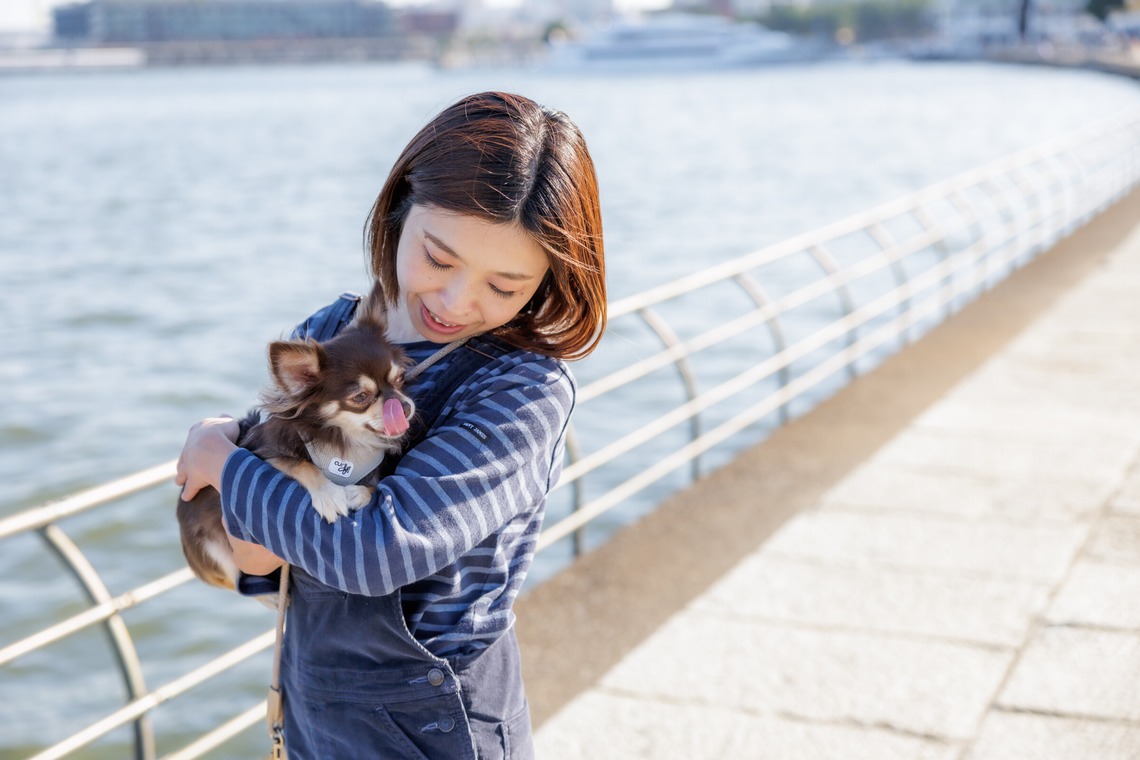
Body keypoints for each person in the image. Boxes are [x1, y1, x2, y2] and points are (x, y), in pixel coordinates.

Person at [175, 91, 606, 760]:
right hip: (314, 695)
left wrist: (224, 465)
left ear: (550, 277)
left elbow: (378, 551)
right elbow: (259, 559)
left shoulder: (521, 388)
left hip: (432, 724)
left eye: (505, 286)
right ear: (400, 207)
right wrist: (246, 507)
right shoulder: (327, 331)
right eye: (438, 259)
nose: (458, 301)